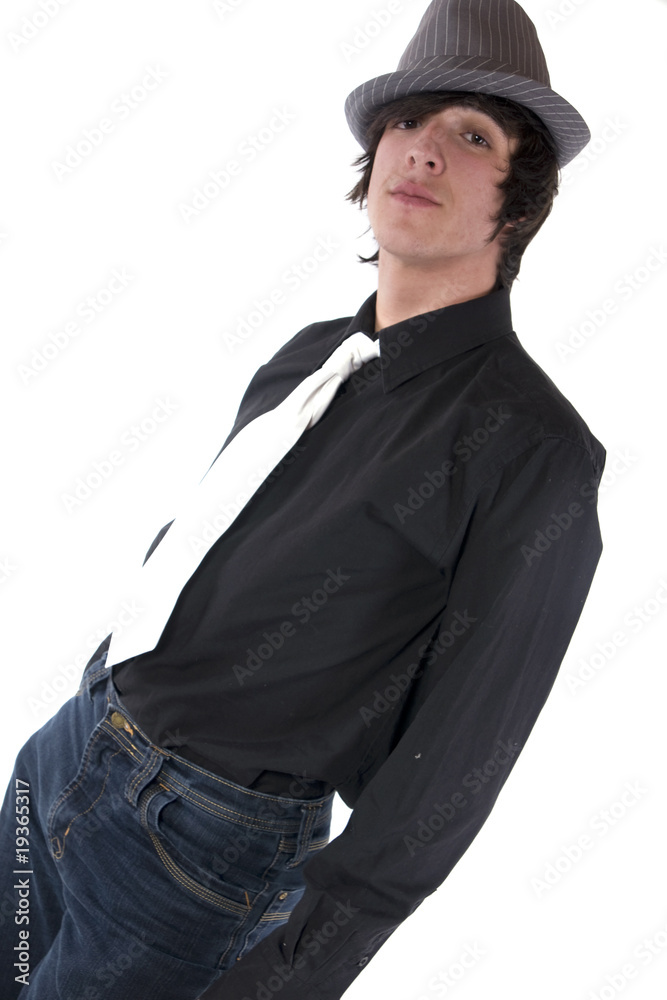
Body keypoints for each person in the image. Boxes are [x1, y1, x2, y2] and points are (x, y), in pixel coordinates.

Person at [0, 2, 606, 998]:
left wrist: (295, 973)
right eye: (405, 122)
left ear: (520, 202)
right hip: (70, 752)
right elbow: (199, 545)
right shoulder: (310, 358)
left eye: (471, 136)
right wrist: (95, 692)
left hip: (197, 855)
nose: (422, 149)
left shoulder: (532, 450)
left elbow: (457, 764)